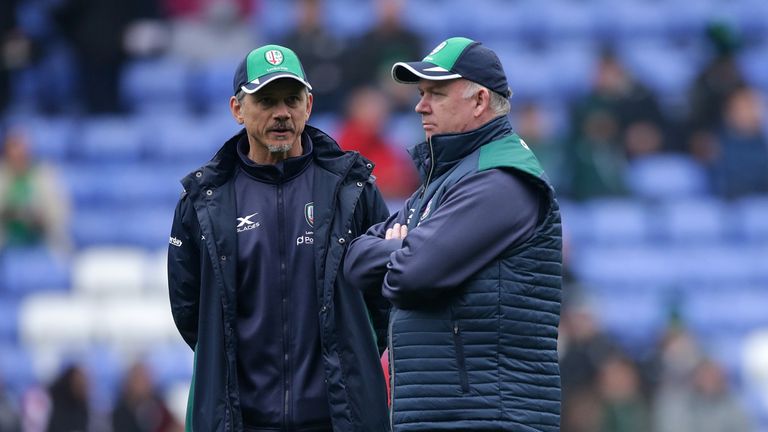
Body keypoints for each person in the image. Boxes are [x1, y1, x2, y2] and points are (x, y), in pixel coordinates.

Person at [343, 37, 563, 431]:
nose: (419, 105)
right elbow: (356, 260)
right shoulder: (444, 182)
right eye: (421, 93)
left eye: (436, 94)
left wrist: (400, 246)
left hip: (486, 417)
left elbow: (415, 273)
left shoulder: (502, 181)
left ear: (479, 101)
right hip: (440, 414)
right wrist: (404, 247)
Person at [167, 44, 391, 431]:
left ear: (309, 104)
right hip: (243, 421)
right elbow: (190, 312)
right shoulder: (204, 200)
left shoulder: (353, 190)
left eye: (291, 99)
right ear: (237, 109)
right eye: (266, 101)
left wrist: (352, 359)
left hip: (337, 420)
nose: (281, 113)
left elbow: (382, 302)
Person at [0, 127, 70, 253]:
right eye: (13, 149)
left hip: (42, 241)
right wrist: (10, 211)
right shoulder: (2, 176)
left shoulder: (45, 175)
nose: (18, 155)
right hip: (6, 242)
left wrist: (41, 217)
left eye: (22, 150)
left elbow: (61, 212)